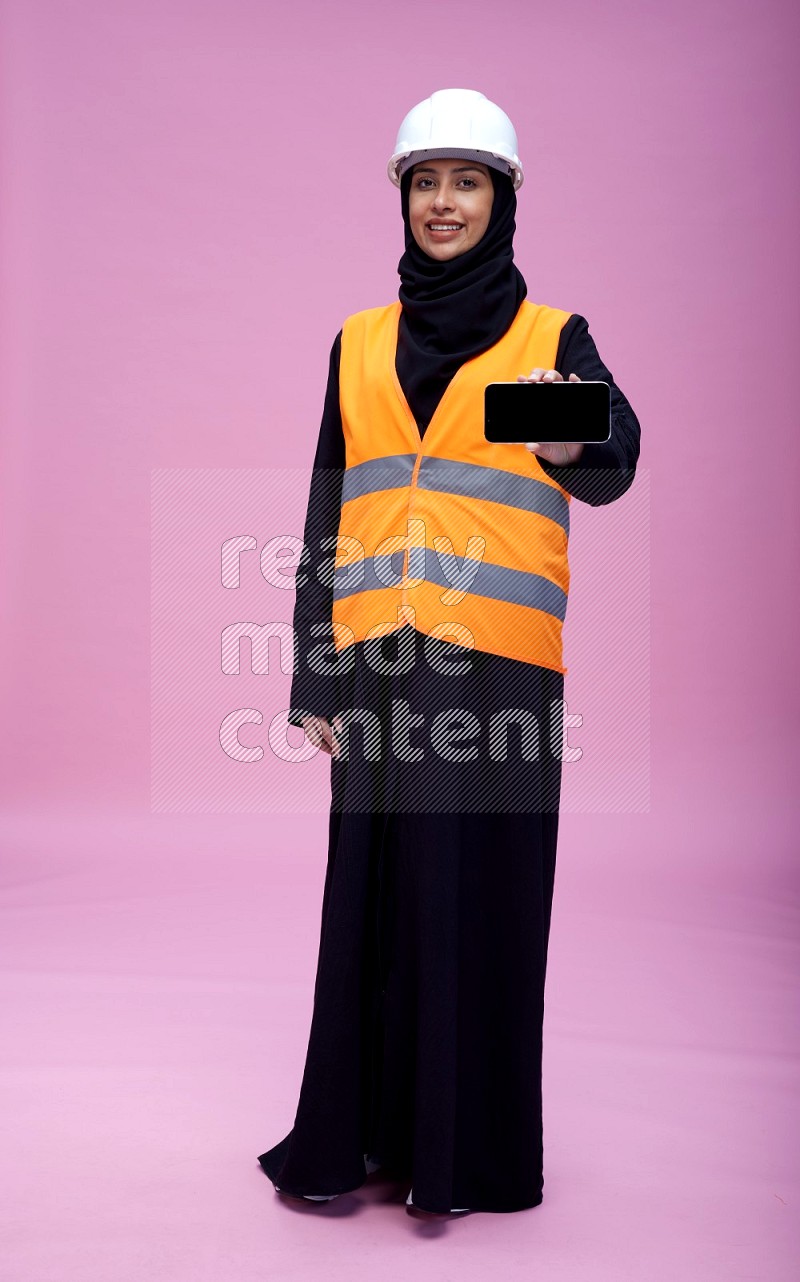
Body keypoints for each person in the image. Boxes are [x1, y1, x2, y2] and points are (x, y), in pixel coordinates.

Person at [257, 88, 641, 1216]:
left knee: (475, 900)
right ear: (402, 197)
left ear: (502, 197)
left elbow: (607, 458)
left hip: (495, 673)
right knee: (372, 902)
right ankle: (365, 1138)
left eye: (466, 181)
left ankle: (464, 1154)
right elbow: (328, 512)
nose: (442, 203)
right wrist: (311, 672)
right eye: (424, 182)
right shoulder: (359, 344)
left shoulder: (545, 339)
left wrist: (574, 434)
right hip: (375, 666)